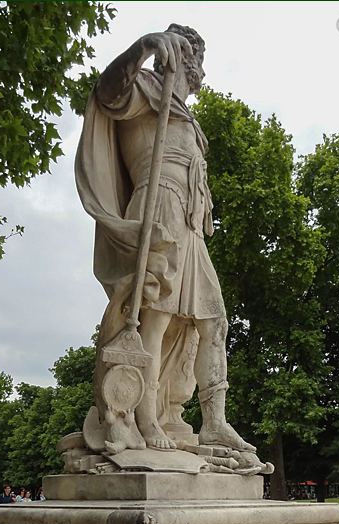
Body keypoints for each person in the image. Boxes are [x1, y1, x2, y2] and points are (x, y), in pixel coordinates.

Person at [75, 24, 253, 454]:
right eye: (192, 57)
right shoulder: (144, 89)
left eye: (198, 59)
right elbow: (107, 92)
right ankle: (145, 416)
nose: (197, 69)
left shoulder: (182, 111)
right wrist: (142, 46)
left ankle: (214, 422)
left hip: (189, 223)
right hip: (158, 208)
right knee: (156, 316)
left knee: (213, 320)